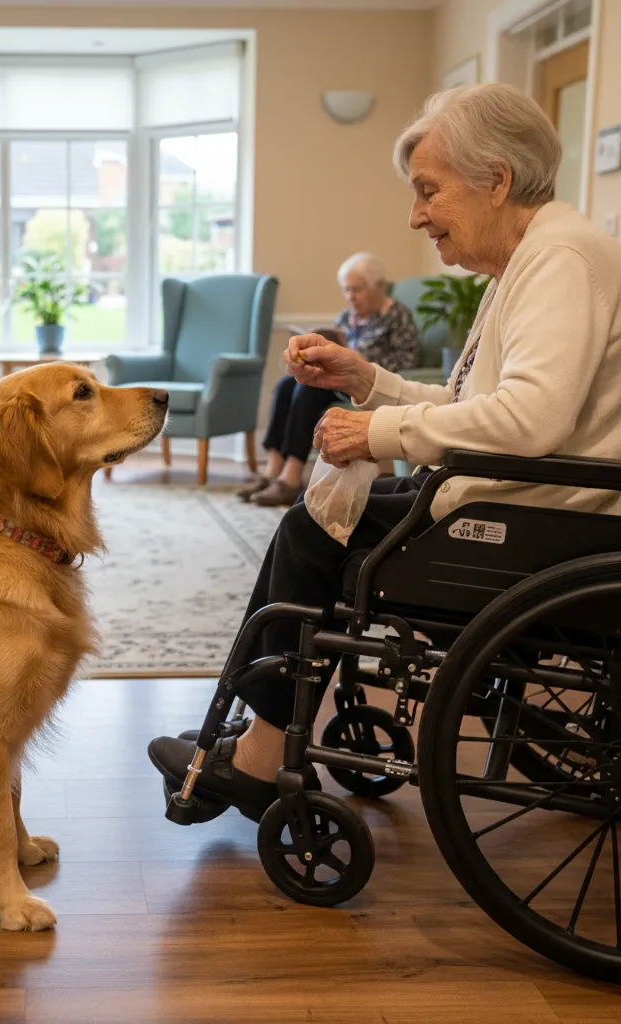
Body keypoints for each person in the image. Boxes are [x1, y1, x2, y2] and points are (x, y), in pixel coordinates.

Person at [149, 82, 621, 817]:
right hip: (524, 503)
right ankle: (255, 735)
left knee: (312, 534)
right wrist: (370, 382)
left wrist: (376, 432)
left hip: (533, 521)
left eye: (430, 191)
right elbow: (480, 409)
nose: (416, 215)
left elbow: (528, 422)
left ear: (496, 179)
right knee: (311, 523)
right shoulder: (532, 258)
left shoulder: (559, 259)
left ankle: (258, 754)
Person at [241, 253, 419, 507]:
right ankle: (273, 468)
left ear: (378, 286)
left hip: (369, 385)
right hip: (340, 379)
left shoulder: (398, 316)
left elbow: (408, 361)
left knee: (308, 390)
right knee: (286, 384)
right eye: (347, 290)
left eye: (357, 290)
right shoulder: (346, 317)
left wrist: (362, 362)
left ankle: (291, 476)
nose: (350, 297)